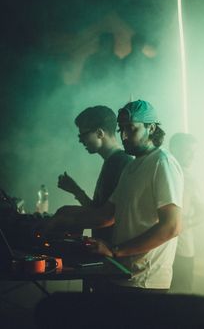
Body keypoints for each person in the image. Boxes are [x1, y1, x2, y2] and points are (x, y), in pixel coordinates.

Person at [47, 100, 184, 292]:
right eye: (121, 129)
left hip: (146, 282)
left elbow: (172, 226)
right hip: (121, 275)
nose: (124, 135)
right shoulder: (131, 167)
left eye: (131, 128)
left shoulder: (162, 163)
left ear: (151, 128)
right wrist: (61, 216)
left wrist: (115, 250)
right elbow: (105, 216)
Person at [57, 105, 132, 243]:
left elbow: (107, 218)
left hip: (114, 252)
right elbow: (98, 211)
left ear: (99, 133)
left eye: (83, 135)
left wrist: (65, 219)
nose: (80, 140)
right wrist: (76, 190)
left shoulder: (120, 163)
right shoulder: (112, 162)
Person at [169, 133, 204, 293]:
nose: (193, 156)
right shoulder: (165, 171)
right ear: (174, 149)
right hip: (161, 247)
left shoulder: (190, 178)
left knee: (181, 295)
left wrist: (184, 224)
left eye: (194, 152)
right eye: (188, 151)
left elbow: (203, 212)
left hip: (182, 249)